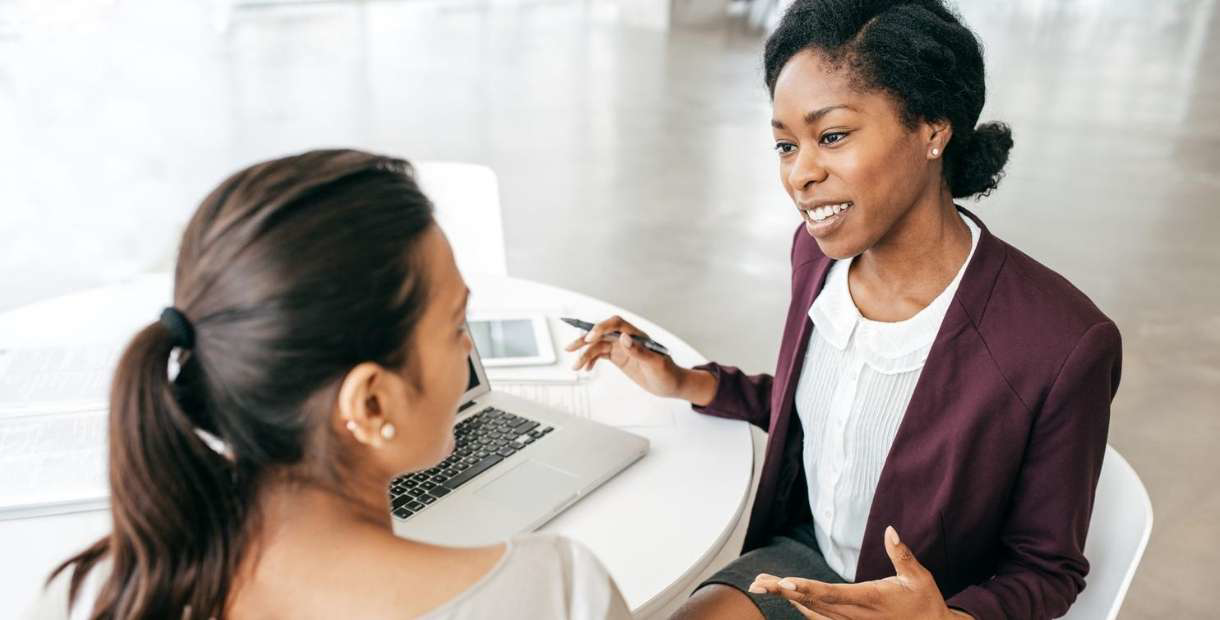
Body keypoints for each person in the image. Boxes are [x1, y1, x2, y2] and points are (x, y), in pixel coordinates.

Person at [567, 1, 1121, 619]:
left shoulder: (1062, 342)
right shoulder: (817, 256)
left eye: (831, 136)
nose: (800, 174)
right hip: (803, 564)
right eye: (784, 144)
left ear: (932, 128)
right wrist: (686, 382)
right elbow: (830, 412)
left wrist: (946, 618)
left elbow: (1048, 570)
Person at [27, 150, 632, 620]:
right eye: (454, 327)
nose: (470, 348)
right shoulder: (555, 593)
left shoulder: (98, 595)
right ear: (371, 404)